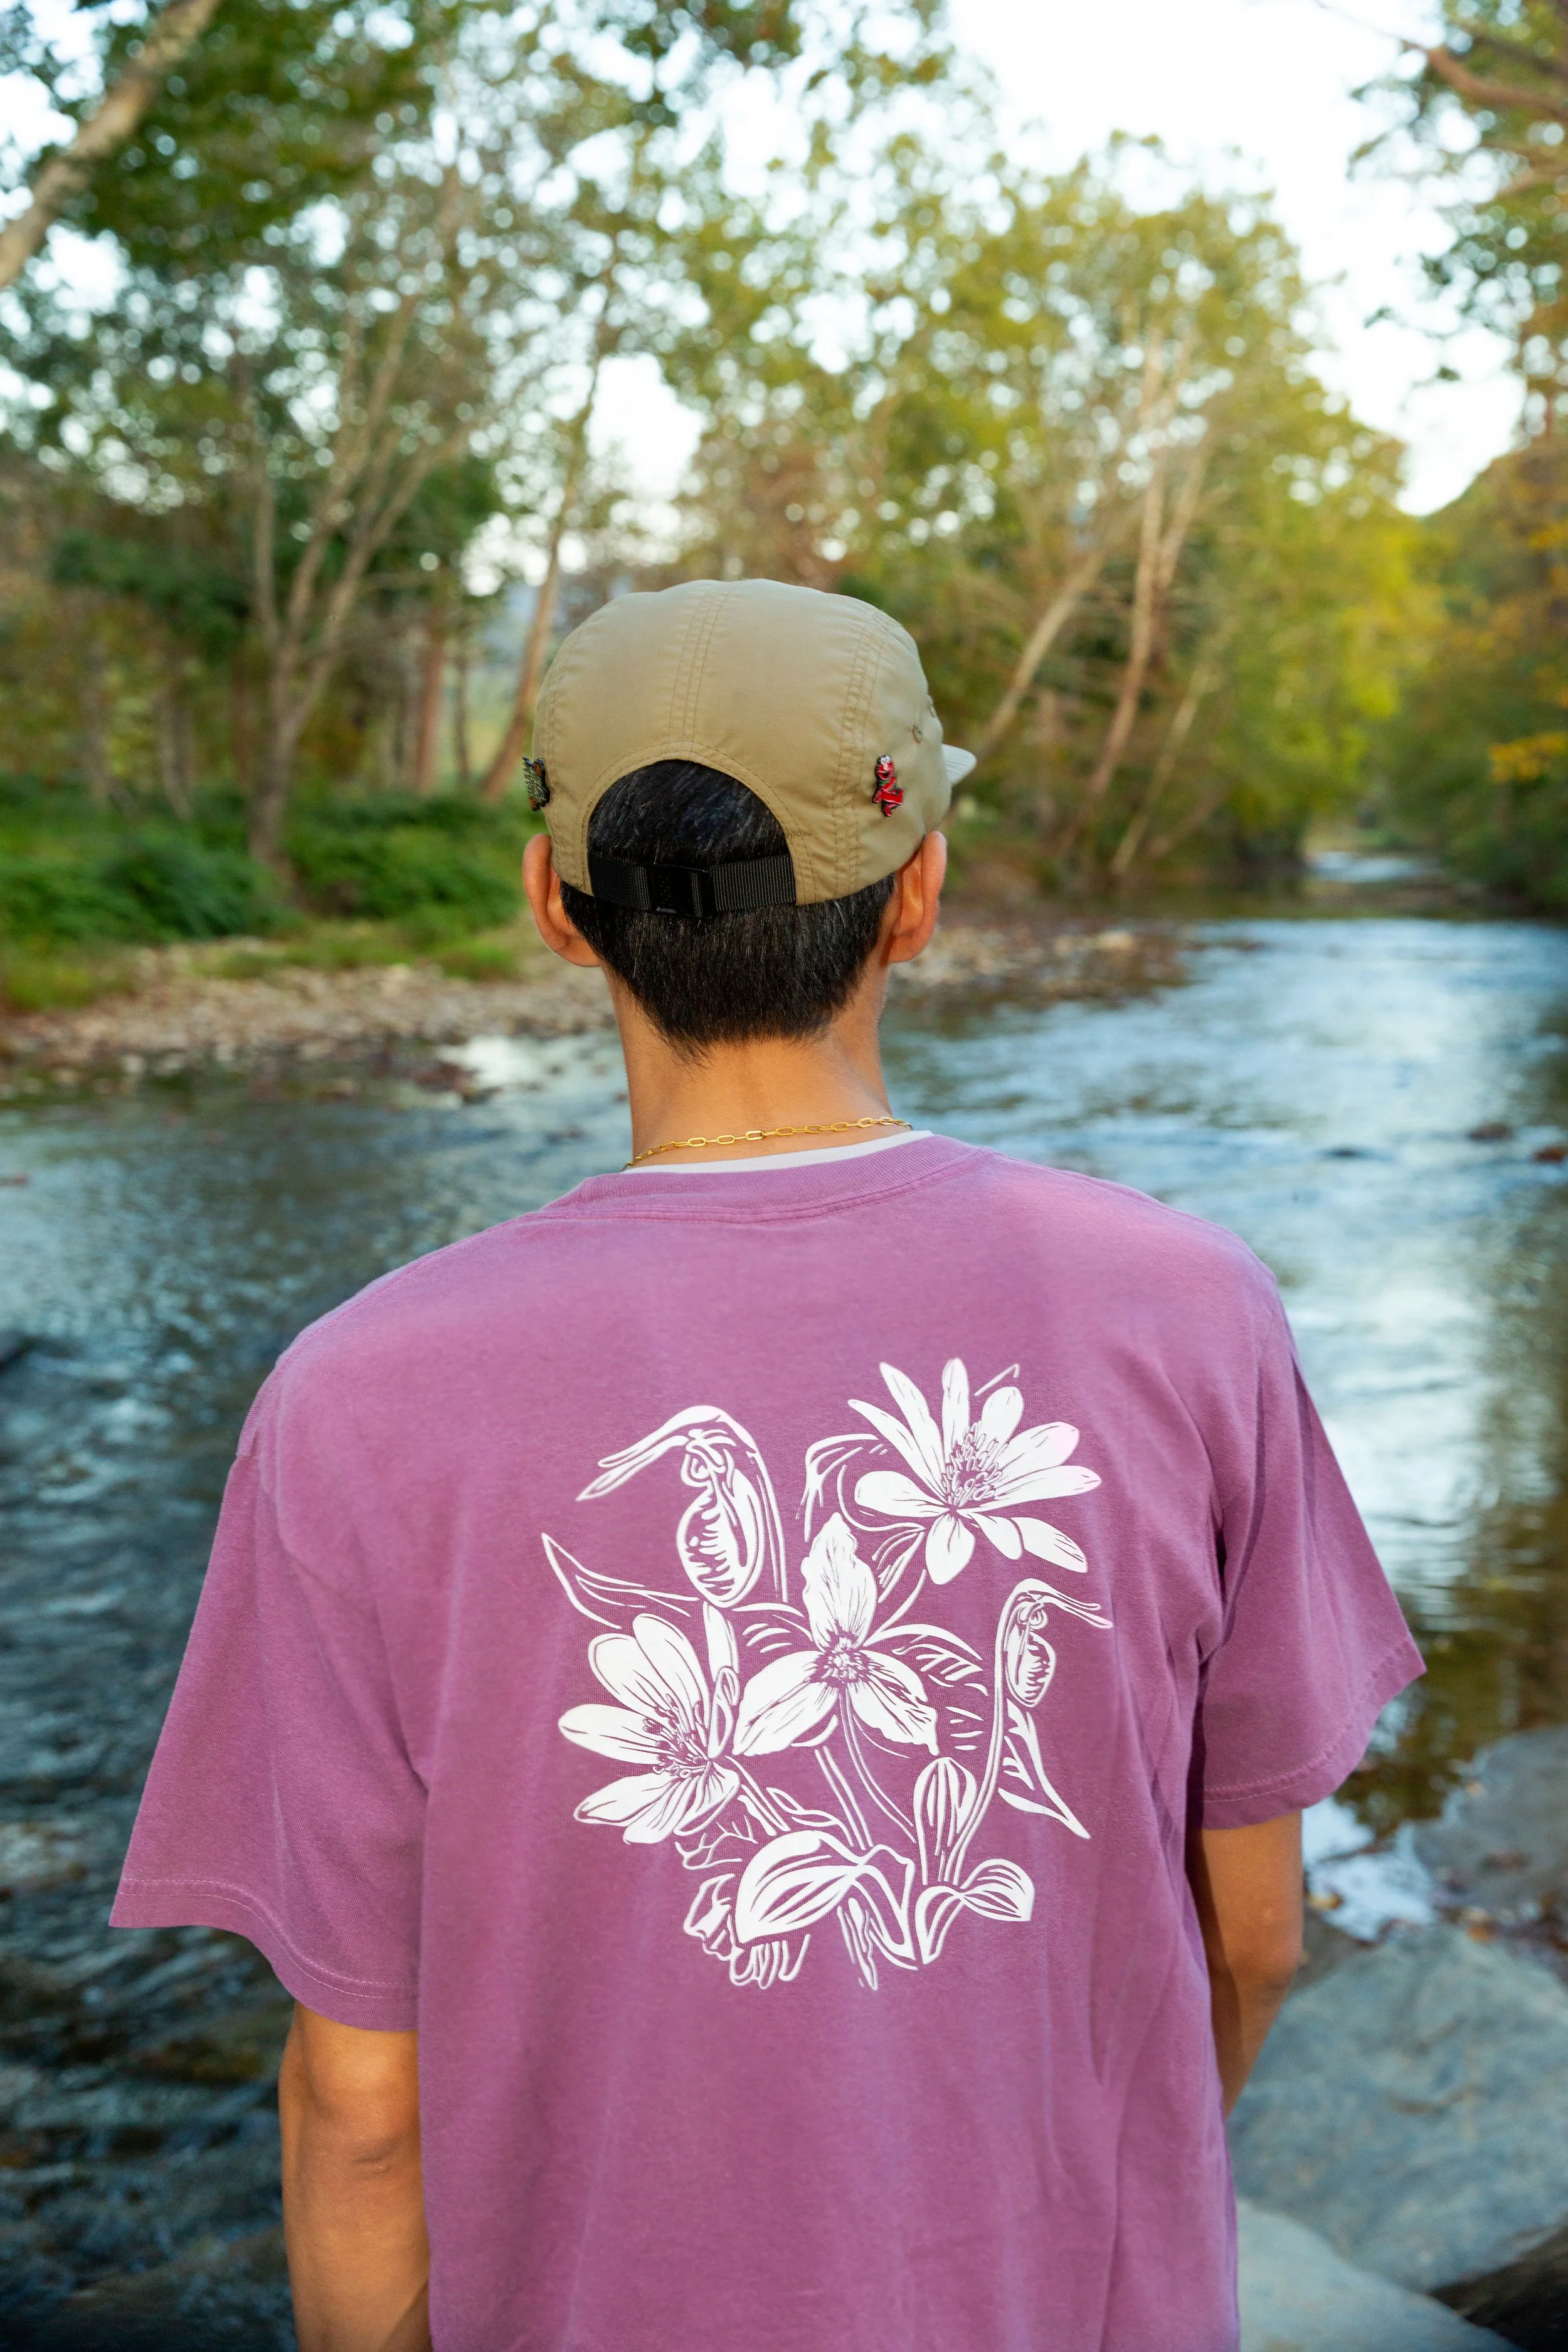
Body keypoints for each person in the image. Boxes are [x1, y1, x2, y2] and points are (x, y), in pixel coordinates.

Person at [112, 578, 1423, 2352]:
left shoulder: (357, 1396)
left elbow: (359, 2099)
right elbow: (1251, 1936)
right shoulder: (1185, 1309)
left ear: (556, 909)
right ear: (921, 897)